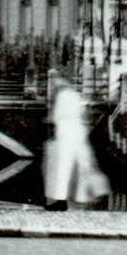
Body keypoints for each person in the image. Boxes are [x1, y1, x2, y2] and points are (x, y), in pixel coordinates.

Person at [42, 74, 109, 211]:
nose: (53, 83)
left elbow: (57, 116)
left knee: (62, 168)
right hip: (78, 132)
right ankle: (93, 193)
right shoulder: (75, 95)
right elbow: (82, 114)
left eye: (55, 80)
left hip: (65, 133)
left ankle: (60, 201)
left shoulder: (62, 95)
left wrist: (48, 120)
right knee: (84, 164)